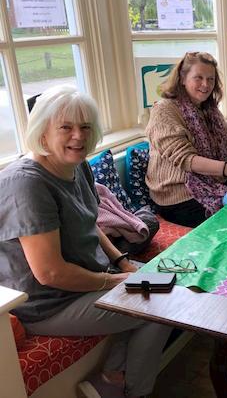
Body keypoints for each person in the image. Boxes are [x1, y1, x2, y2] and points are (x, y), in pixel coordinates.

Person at [0, 85, 172, 398]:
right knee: (162, 302)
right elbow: (50, 274)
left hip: (90, 276)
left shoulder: (76, 166)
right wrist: (116, 280)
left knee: (170, 280)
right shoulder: (27, 184)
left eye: (85, 127)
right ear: (42, 132)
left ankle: (111, 378)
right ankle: (136, 391)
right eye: (65, 127)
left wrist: (122, 261)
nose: (78, 136)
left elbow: (91, 221)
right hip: (50, 304)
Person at [146, 52, 227, 227]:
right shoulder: (164, 111)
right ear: (182, 79)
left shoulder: (210, 108)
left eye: (211, 79)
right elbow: (185, 159)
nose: (206, 85)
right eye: (198, 78)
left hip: (214, 182)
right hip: (178, 195)